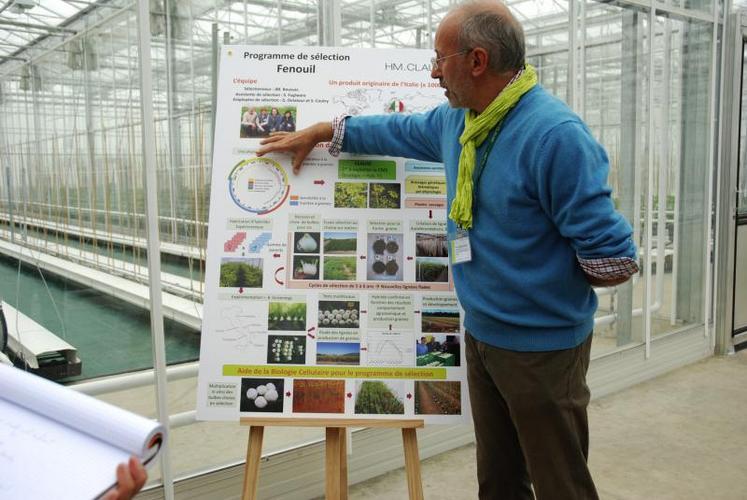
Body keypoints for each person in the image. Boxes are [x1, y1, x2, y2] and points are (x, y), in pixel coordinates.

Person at [257, 1, 638, 498]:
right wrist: (325, 130)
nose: (434, 72)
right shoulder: (459, 122)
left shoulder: (553, 136)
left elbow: (614, 259)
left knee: (559, 481)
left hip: (542, 351)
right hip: (482, 336)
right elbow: (395, 130)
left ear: (476, 61)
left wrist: (539, 286)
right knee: (498, 478)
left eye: (439, 58)